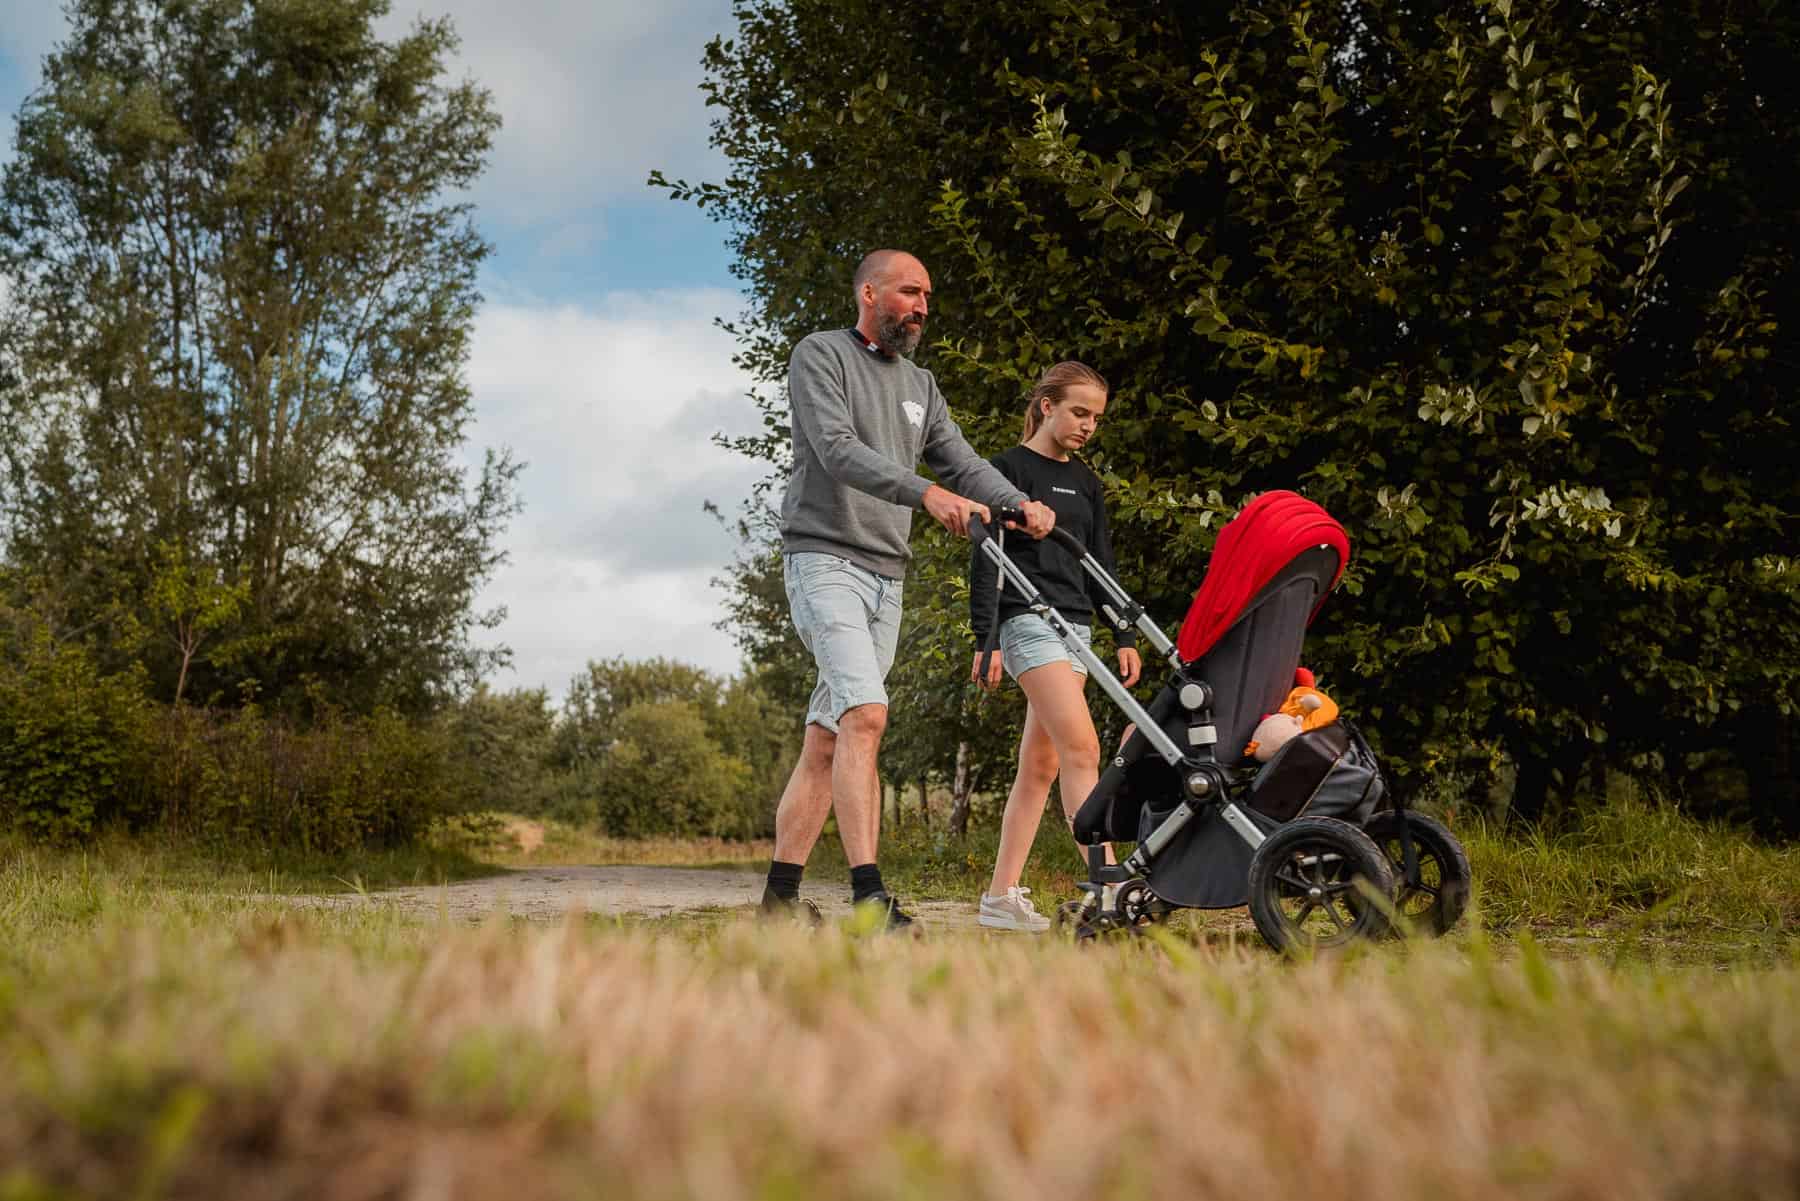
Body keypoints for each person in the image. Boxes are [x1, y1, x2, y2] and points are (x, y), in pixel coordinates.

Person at [759, 249, 1056, 930]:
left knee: (828, 739)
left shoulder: (921, 383)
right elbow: (835, 449)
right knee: (866, 713)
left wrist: (1018, 503)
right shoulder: (821, 355)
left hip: (885, 577)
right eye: (909, 292)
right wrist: (925, 492)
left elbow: (960, 459)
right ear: (869, 291)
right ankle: (870, 899)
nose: (922, 307)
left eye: (927, 296)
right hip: (824, 559)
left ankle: (777, 907)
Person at [968, 362, 1141, 932]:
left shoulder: (1087, 481)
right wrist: (986, 638)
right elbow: (986, 558)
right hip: (1026, 621)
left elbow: (1100, 565)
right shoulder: (1007, 471)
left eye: (1096, 417)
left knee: (1039, 766)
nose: (1089, 425)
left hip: (1077, 626)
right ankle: (1108, 884)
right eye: (1079, 412)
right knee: (1082, 748)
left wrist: (1122, 633)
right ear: (1046, 405)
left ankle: (1000, 899)